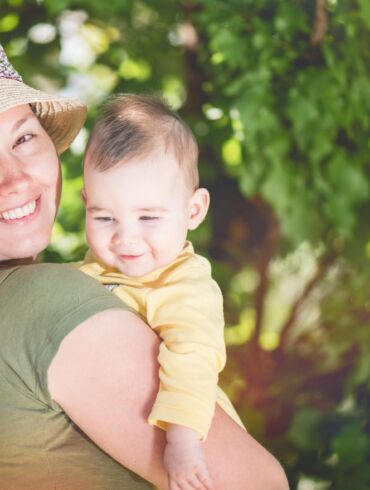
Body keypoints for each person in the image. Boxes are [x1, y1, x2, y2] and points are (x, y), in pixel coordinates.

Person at [0, 43, 289, 490]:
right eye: (107, 216)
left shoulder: (162, 284)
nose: (14, 178)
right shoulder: (43, 304)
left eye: (23, 138)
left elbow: (193, 349)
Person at [79, 93, 245, 490]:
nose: (126, 237)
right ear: (86, 204)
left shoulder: (184, 284)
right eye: (104, 217)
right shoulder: (92, 271)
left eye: (148, 217)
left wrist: (183, 442)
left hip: (189, 439)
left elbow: (193, 355)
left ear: (193, 211)